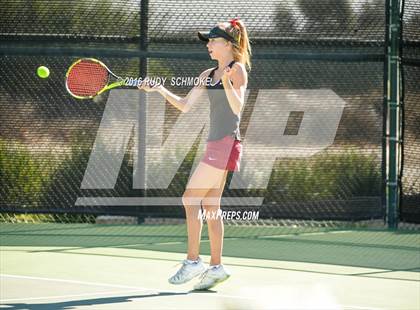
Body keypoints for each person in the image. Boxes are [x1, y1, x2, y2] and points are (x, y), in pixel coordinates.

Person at [138, 18, 251, 290]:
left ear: (229, 44)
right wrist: (159, 89)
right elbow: (186, 105)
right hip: (215, 144)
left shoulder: (238, 71)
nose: (209, 45)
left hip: (226, 143)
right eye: (208, 41)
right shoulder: (206, 74)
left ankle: (192, 261)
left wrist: (225, 82)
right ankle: (216, 267)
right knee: (211, 207)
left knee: (190, 198)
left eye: (213, 40)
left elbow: (238, 108)